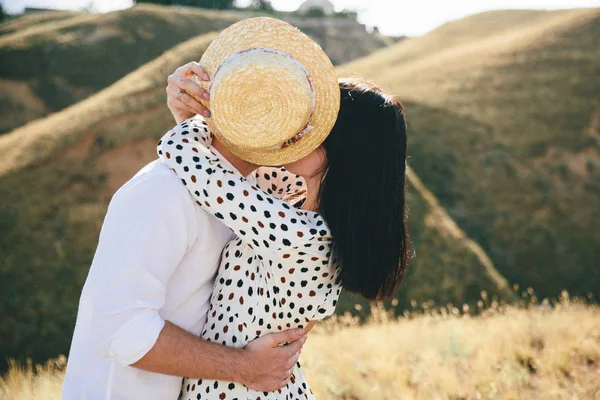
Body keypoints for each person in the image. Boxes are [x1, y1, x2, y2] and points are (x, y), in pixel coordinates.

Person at [156, 17, 410, 400]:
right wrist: (207, 106)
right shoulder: (294, 202)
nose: (295, 129)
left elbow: (184, 155)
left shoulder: (298, 236)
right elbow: (227, 172)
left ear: (345, 155)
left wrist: (201, 111)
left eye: (313, 127)